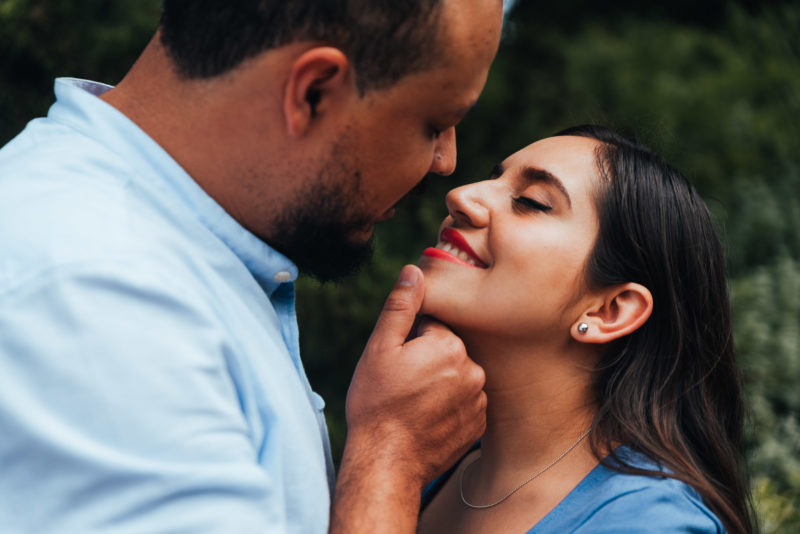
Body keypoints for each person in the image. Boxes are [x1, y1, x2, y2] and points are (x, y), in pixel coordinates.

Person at [0, 1, 503, 532]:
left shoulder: (163, 256)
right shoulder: (105, 301)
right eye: (436, 122)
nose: (445, 162)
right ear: (312, 92)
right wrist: (390, 459)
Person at [415, 126, 755, 534]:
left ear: (609, 310)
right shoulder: (427, 461)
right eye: (492, 178)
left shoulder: (649, 524)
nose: (462, 195)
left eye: (531, 202)